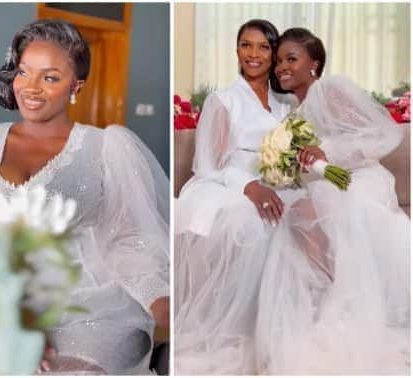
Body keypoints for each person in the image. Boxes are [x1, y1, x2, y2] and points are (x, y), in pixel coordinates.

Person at [174, 19, 410, 374]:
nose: (256, 55)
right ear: (235, 50)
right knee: (278, 217)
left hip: (302, 182)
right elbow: (210, 161)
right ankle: (304, 314)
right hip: (238, 182)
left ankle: (335, 305)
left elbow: (336, 144)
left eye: (265, 48)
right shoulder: (223, 99)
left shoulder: (287, 105)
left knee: (305, 214)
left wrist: (315, 159)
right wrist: (251, 185)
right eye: (245, 45)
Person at [0, 19, 170, 374]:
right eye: (23, 72)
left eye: (50, 77)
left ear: (76, 86)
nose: (30, 88)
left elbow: (130, 236)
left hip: (89, 307)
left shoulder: (109, 147)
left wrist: (158, 298)